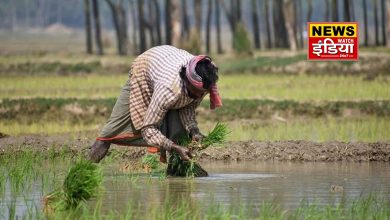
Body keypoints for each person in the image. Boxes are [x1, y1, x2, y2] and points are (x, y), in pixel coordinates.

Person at [88, 45, 222, 163]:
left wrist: (194, 131)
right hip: (144, 70)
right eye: (196, 93)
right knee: (109, 132)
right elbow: (148, 129)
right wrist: (174, 148)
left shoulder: (204, 80)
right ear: (186, 82)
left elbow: (188, 105)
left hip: (165, 62)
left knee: (180, 134)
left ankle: (177, 176)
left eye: (201, 93)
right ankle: (84, 169)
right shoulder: (169, 89)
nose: (199, 97)